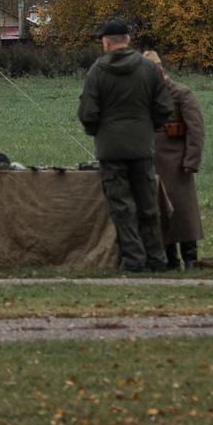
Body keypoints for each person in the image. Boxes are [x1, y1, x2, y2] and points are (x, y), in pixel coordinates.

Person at [79, 19, 177, 273]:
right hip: (142, 147)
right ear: (128, 40)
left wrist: (98, 132)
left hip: (110, 150)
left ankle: (133, 260)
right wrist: (149, 127)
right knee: (148, 206)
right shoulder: (148, 68)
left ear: (106, 42)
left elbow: (88, 113)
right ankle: (156, 259)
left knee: (120, 207)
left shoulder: (97, 71)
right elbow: (165, 107)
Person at [145, 50, 206, 268]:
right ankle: (169, 259)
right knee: (161, 213)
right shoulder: (144, 96)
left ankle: (190, 258)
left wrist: (191, 160)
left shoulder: (182, 93)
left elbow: (196, 130)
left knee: (184, 212)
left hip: (178, 163)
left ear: (161, 70)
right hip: (152, 162)